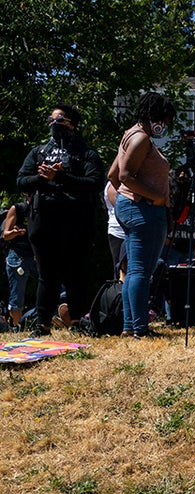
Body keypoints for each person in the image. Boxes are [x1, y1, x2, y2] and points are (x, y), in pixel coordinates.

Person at [15, 102, 105, 336]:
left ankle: (77, 322)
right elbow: (21, 180)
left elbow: (95, 183)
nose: (55, 124)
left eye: (60, 119)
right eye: (51, 120)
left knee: (76, 274)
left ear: (72, 125)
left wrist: (63, 177)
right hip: (43, 221)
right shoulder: (39, 151)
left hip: (76, 222)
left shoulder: (86, 153)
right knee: (48, 276)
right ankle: (42, 325)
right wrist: (41, 177)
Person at [109, 92, 175, 338]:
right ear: (153, 116)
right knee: (140, 271)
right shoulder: (141, 139)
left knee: (135, 270)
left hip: (132, 208)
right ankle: (139, 329)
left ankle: (130, 326)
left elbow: (112, 176)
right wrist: (154, 197)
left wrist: (124, 200)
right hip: (143, 209)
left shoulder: (128, 135)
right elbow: (125, 176)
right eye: (164, 120)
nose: (165, 126)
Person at [3, 196, 37, 328]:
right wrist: (15, 232)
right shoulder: (17, 209)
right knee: (17, 295)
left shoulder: (43, 208)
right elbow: (6, 235)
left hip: (37, 256)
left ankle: (41, 320)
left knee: (54, 288)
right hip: (18, 256)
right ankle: (17, 327)